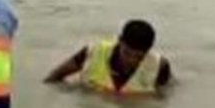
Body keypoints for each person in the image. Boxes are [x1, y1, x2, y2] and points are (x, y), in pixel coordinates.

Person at [44, 20, 173, 97]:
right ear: (120, 41)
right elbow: (53, 78)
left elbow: (164, 96)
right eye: (127, 53)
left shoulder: (160, 66)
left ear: (148, 51)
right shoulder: (92, 52)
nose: (131, 60)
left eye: (139, 57)